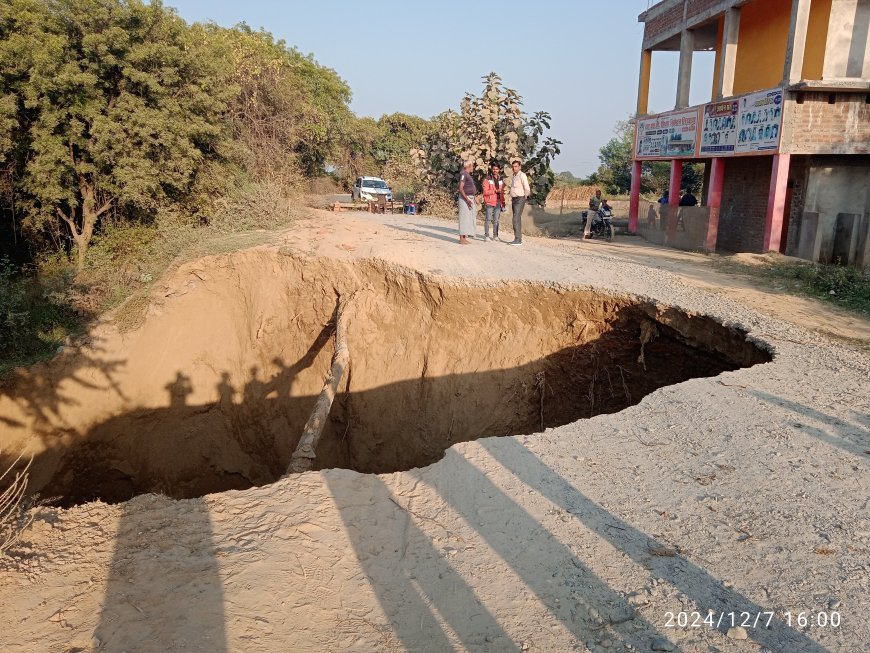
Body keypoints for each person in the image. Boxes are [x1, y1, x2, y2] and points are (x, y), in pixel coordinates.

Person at [482, 161, 505, 241]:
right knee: (488, 219)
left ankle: (495, 236)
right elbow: (485, 192)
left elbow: (502, 191)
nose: (495, 170)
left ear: (499, 170)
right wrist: (495, 191)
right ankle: (487, 236)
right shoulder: (487, 179)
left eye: (497, 169)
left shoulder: (501, 179)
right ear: (491, 169)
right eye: (494, 169)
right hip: (490, 202)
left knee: (496, 220)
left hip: (498, 202)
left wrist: (503, 202)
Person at [508, 159, 530, 246]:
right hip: (514, 199)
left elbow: (527, 187)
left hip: (520, 199)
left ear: (520, 167)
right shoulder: (514, 176)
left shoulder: (522, 175)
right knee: (517, 218)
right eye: (513, 167)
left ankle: (518, 240)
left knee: (515, 218)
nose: (514, 168)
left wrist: (525, 197)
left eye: (516, 166)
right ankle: (518, 238)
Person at [457, 159, 477, 245]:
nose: (473, 167)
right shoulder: (463, 174)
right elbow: (461, 188)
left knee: (468, 219)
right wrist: (467, 200)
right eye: (472, 166)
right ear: (469, 166)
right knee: (464, 218)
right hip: (465, 199)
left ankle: (464, 237)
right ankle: (461, 238)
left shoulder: (467, 175)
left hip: (469, 198)